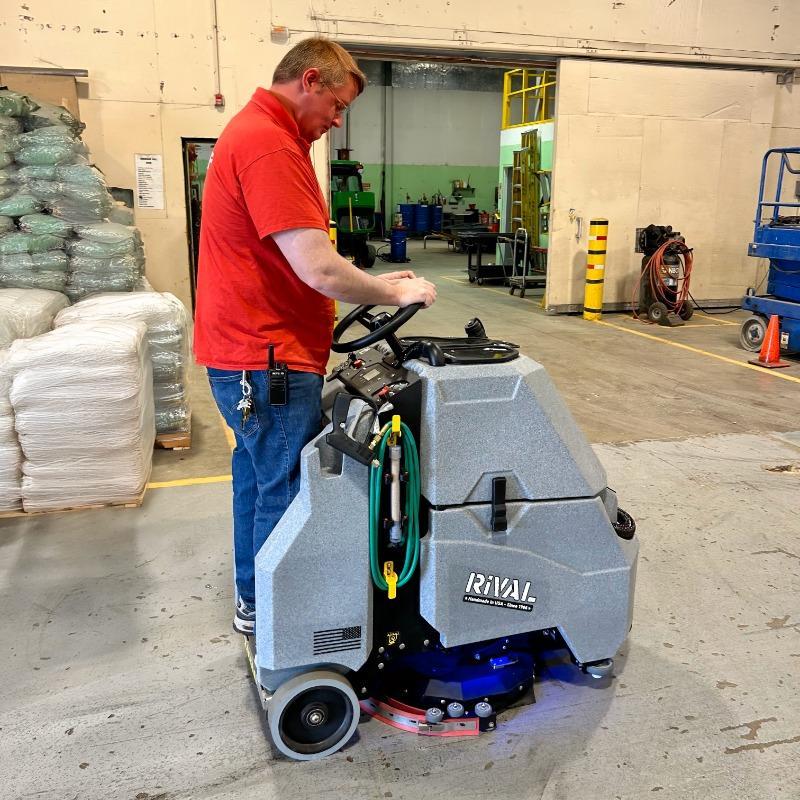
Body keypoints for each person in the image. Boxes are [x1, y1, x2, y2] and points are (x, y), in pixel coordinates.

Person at [193, 37, 436, 636]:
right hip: (264, 356)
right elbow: (319, 268)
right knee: (283, 481)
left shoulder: (265, 136)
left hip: (253, 351)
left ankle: (254, 596)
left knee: (257, 474)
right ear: (309, 80)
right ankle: (283, 616)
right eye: (337, 104)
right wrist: (393, 293)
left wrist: (373, 282)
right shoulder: (268, 144)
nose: (336, 120)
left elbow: (304, 260)